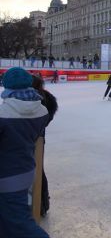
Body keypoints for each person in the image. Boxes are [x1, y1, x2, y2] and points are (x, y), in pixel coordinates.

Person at [0, 67, 50, 238]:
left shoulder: (4, 113)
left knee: (19, 224)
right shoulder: (41, 111)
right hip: (27, 170)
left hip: (8, 175)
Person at [31, 74, 58, 217]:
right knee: (39, 169)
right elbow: (48, 119)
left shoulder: (38, 98)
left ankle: (40, 203)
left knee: (36, 170)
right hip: (40, 138)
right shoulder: (47, 98)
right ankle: (42, 204)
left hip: (35, 139)